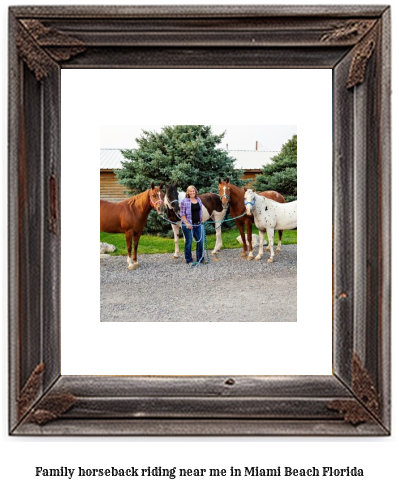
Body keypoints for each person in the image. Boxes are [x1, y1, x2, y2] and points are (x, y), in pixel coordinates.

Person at [180, 185, 205, 265]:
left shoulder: (198, 199)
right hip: (188, 226)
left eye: (193, 191)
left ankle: (200, 258)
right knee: (189, 242)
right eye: (190, 191)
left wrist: (202, 218)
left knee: (200, 241)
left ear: (195, 191)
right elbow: (182, 214)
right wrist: (187, 224)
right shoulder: (184, 201)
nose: (192, 192)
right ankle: (189, 260)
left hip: (198, 224)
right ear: (188, 192)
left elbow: (200, 210)